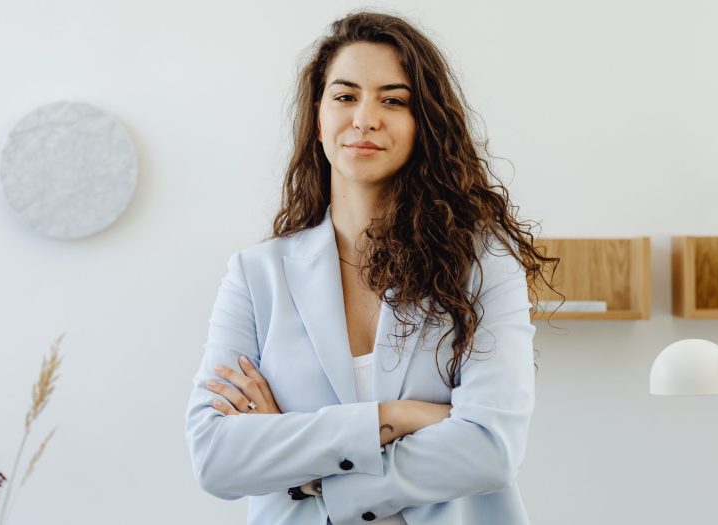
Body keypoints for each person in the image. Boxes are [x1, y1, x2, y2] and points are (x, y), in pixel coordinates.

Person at [185, 10, 558, 525]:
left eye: (393, 99)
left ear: (422, 123)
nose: (365, 118)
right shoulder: (256, 275)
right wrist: (394, 418)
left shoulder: (482, 264)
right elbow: (215, 457)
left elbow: (490, 448)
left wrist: (308, 474)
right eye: (345, 96)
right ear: (318, 118)